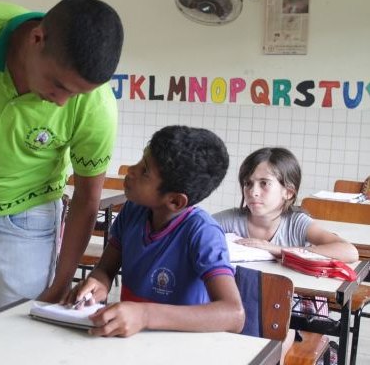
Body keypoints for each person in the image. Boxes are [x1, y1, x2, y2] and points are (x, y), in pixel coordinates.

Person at [0, 0, 124, 334]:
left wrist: (61, 281)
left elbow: (88, 199)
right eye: (58, 85)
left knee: (16, 338)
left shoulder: (97, 108)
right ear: (36, 39)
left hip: (29, 221)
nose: (61, 101)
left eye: (75, 94)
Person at [62, 125, 245, 337]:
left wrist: (145, 315)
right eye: (141, 160)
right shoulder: (133, 211)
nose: (131, 170)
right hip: (131, 341)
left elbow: (234, 315)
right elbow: (106, 269)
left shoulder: (203, 233)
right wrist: (97, 283)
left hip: (181, 347)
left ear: (175, 201)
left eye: (145, 171)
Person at [213, 146, 358, 363]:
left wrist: (278, 250)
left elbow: (348, 250)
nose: (253, 191)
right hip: (246, 302)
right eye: (248, 183)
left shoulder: (296, 223)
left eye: (264, 184)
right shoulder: (231, 219)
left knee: (279, 332)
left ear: (288, 192)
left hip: (296, 310)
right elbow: (190, 231)